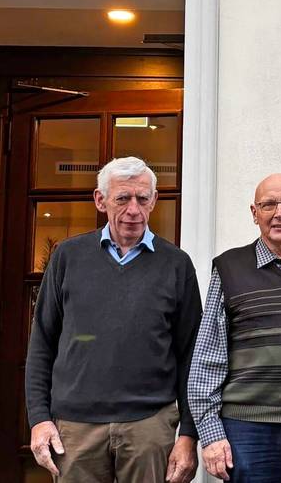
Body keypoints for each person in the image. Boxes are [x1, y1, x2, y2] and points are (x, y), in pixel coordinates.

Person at [24, 156, 200, 483]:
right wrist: (39, 419)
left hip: (149, 426)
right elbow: (42, 344)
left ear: (153, 201)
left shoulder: (176, 265)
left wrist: (188, 434)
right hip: (75, 430)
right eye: (122, 198)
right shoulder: (67, 258)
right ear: (100, 200)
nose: (133, 209)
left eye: (142, 199)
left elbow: (191, 354)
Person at [189, 173, 281, 483]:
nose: (280, 212)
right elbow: (208, 357)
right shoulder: (229, 267)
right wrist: (211, 435)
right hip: (248, 429)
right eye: (269, 204)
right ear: (254, 213)